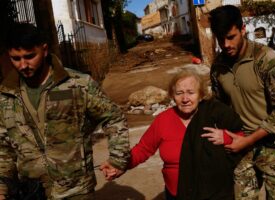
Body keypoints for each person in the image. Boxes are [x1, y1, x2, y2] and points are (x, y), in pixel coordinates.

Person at [0, 22, 130, 199]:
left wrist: (118, 158)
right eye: (16, 59)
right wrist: (2, 188)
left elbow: (113, 117)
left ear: (44, 50)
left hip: (76, 191)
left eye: (30, 56)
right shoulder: (6, 95)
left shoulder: (78, 84)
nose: (23, 65)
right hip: (31, 193)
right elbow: (3, 148)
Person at [207, 5, 275, 200]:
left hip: (274, 148)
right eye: (220, 39)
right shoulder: (218, 67)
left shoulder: (267, 60)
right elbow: (221, 107)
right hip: (240, 149)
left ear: (243, 30)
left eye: (230, 37)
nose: (225, 44)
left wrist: (249, 139)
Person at [101, 69, 243, 200]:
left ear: (200, 95)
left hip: (213, 192)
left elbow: (242, 136)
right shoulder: (164, 120)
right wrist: (119, 165)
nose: (185, 98)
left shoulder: (215, 114)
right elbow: (143, 149)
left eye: (190, 92)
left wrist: (226, 137)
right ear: (173, 96)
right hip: (176, 194)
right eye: (179, 93)